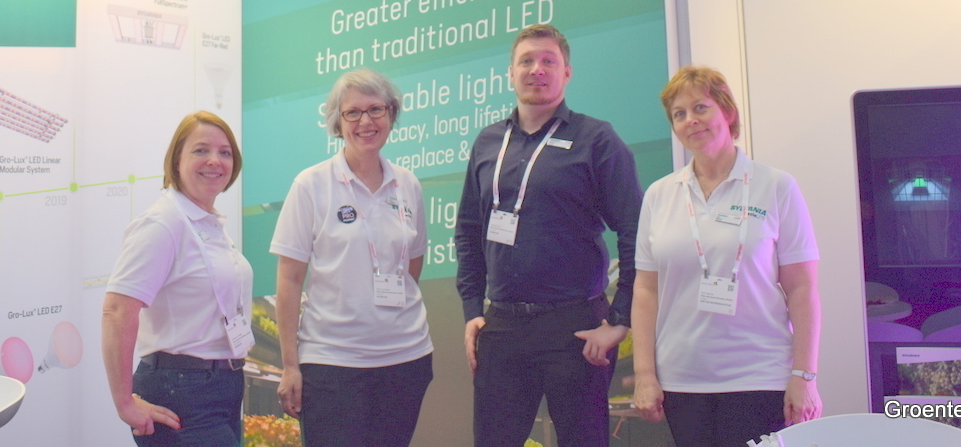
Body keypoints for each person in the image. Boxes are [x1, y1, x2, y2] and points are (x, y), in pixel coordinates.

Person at [455, 23, 642, 447]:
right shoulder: (488, 142)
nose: (536, 69)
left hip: (575, 328)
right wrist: (472, 310)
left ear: (567, 73)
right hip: (502, 326)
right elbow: (468, 231)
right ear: (510, 73)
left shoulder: (596, 139)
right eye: (526, 61)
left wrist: (620, 320)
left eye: (548, 61)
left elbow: (635, 231)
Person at [632, 66, 821, 447]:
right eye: (679, 114)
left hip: (760, 376)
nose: (691, 120)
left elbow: (802, 289)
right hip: (681, 381)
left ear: (727, 111)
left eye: (700, 107)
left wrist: (804, 376)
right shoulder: (659, 195)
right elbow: (646, 292)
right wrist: (644, 374)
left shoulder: (776, 186)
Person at [270, 69, 433, 447]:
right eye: (353, 113)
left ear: (391, 114)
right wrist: (291, 365)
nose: (365, 122)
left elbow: (413, 263)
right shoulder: (311, 185)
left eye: (376, 109)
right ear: (337, 122)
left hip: (405, 359)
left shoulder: (408, 184)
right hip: (332, 364)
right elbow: (289, 279)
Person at [102, 111, 254, 447]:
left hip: (223, 385)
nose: (214, 160)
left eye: (225, 152)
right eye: (201, 150)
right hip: (180, 389)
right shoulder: (163, 223)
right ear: (176, 161)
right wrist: (124, 402)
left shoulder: (207, 224)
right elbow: (117, 310)